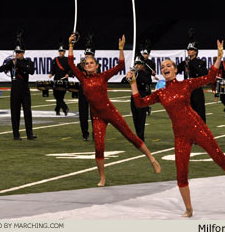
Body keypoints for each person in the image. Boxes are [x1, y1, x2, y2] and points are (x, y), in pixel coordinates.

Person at [127, 40, 225, 217]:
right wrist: (133, 83)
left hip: (196, 127)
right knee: (181, 173)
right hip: (180, 136)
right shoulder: (160, 93)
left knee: (219, 157)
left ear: (175, 70)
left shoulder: (185, 84)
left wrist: (218, 57)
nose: (165, 67)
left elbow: (209, 78)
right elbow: (140, 103)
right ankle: (189, 209)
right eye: (163, 66)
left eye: (169, 65)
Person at [68, 33, 161, 186]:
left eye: (92, 63)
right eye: (87, 63)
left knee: (130, 136)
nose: (89, 65)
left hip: (110, 112)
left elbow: (120, 66)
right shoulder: (83, 78)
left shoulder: (103, 76)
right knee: (98, 147)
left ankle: (152, 158)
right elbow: (71, 64)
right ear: (84, 67)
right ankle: (102, 177)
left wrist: (121, 49)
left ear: (97, 65)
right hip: (97, 117)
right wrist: (71, 45)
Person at [0, 34, 36, 140]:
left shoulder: (28, 62)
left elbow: (31, 71)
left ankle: (30, 134)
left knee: (27, 112)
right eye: (16, 52)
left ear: (23, 53)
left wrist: (18, 64)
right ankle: (16, 134)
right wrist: (10, 64)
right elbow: (0, 69)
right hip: (15, 91)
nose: (17, 54)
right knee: (15, 113)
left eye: (19, 53)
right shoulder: (12, 62)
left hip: (25, 90)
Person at [177, 31, 208, 122]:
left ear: (195, 52)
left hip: (197, 91)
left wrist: (191, 64)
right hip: (186, 91)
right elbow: (176, 70)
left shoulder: (200, 62)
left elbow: (204, 73)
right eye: (188, 50)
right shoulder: (185, 62)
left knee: (200, 114)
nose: (188, 52)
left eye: (191, 50)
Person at [75, 47, 98, 141]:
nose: (87, 56)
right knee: (83, 113)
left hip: (93, 91)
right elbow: (77, 75)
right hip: (83, 90)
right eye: (86, 54)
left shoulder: (96, 65)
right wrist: (81, 67)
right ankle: (85, 134)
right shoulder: (79, 65)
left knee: (94, 114)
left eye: (89, 54)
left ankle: (95, 133)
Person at [130, 57, 152, 142]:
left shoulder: (145, 73)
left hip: (142, 96)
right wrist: (130, 75)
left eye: (138, 64)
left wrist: (137, 74)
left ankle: (140, 137)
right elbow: (124, 81)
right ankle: (138, 135)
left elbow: (147, 81)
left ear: (142, 65)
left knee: (141, 118)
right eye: (136, 64)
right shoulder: (133, 73)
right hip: (133, 96)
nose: (137, 66)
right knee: (135, 117)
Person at [49, 44, 71, 116]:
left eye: (62, 51)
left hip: (64, 80)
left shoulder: (67, 60)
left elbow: (71, 69)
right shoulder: (55, 60)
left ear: (64, 52)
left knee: (61, 96)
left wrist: (68, 74)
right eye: (60, 51)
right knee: (56, 95)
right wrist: (51, 74)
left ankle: (64, 109)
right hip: (56, 79)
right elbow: (53, 69)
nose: (61, 52)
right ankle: (58, 109)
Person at [140, 47, 157, 116]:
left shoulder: (151, 63)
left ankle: (147, 108)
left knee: (147, 96)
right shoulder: (140, 62)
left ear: (148, 54)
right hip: (140, 80)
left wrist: (153, 73)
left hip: (147, 81)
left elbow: (153, 72)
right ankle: (142, 109)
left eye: (146, 54)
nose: (144, 55)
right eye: (144, 54)